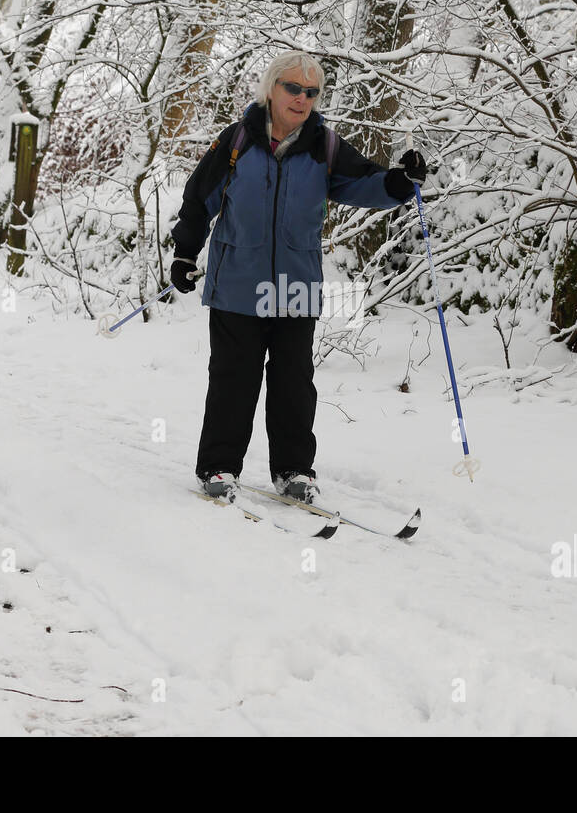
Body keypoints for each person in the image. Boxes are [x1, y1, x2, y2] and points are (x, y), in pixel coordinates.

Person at [169, 51, 426, 504]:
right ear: (271, 88)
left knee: (293, 383)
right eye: (293, 88)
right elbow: (199, 198)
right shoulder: (237, 142)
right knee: (234, 379)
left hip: (296, 287)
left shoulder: (323, 146)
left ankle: (293, 471)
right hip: (237, 284)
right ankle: (219, 467)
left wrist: (400, 182)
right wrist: (185, 254)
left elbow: (366, 182)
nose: (302, 99)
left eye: (312, 92)